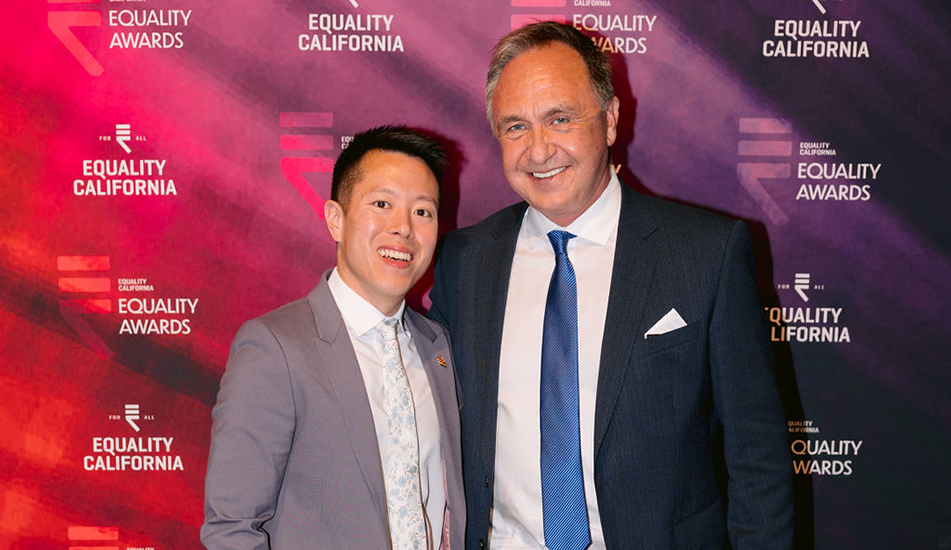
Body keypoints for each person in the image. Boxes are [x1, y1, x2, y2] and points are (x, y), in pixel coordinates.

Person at [429, 22, 793, 550]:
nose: (538, 150)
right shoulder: (465, 260)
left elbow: (758, 457)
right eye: (515, 127)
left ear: (610, 120)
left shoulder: (706, 254)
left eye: (559, 118)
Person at [202, 125, 465, 550]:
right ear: (335, 220)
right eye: (382, 204)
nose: (403, 228)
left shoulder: (439, 347)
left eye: (423, 212)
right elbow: (232, 529)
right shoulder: (275, 348)